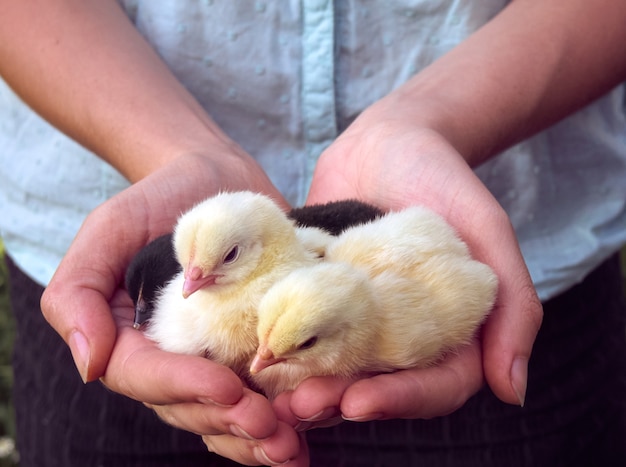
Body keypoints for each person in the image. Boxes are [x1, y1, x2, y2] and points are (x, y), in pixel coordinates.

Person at [0, 1, 624, 466]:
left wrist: (431, 120)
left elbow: (459, 283)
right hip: (97, 246)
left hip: (532, 257)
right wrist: (170, 151)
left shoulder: (333, 281)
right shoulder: (253, 274)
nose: (190, 288)